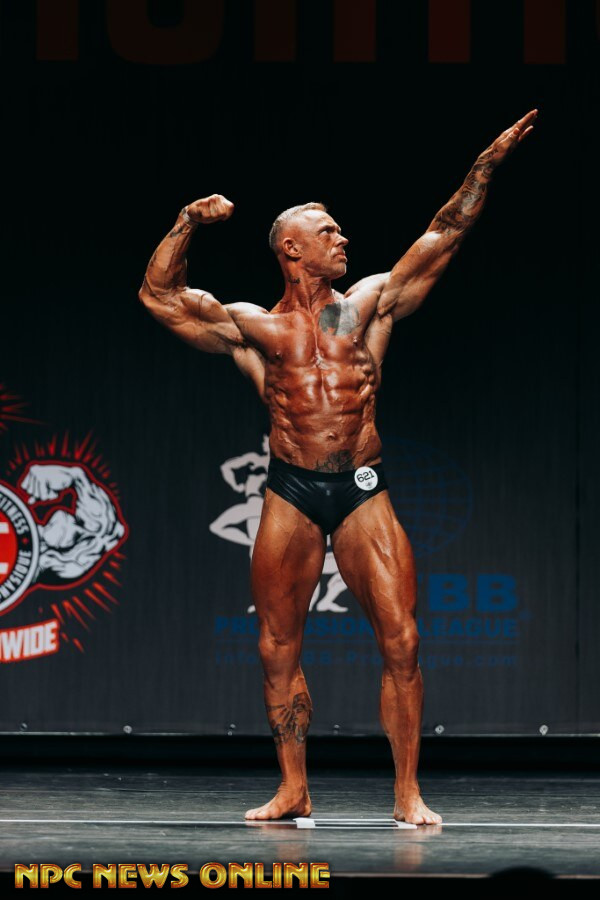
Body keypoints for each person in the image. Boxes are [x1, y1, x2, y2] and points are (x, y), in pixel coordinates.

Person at [138, 109, 537, 825]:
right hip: (291, 489)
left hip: (360, 487)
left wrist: (485, 165)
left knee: (403, 640)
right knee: (277, 646)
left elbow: (444, 234)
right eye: (328, 232)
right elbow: (159, 296)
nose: (343, 239)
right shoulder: (254, 327)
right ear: (292, 248)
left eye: (341, 231)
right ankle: (293, 788)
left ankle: (408, 792)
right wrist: (187, 221)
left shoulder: (369, 306)